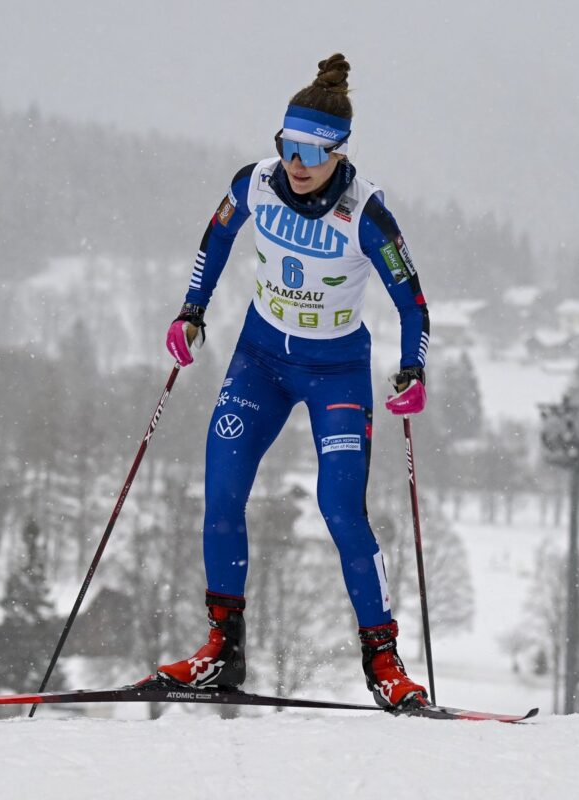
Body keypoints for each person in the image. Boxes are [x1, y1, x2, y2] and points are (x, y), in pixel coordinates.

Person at [152, 53, 431, 710]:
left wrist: (413, 368)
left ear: (339, 152)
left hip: (335, 372)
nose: (296, 162)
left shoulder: (366, 216)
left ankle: (384, 663)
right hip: (259, 360)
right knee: (220, 491)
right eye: (287, 145)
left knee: (339, 508)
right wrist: (192, 309)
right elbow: (216, 237)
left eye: (312, 149)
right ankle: (222, 651)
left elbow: (413, 301)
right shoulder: (256, 183)